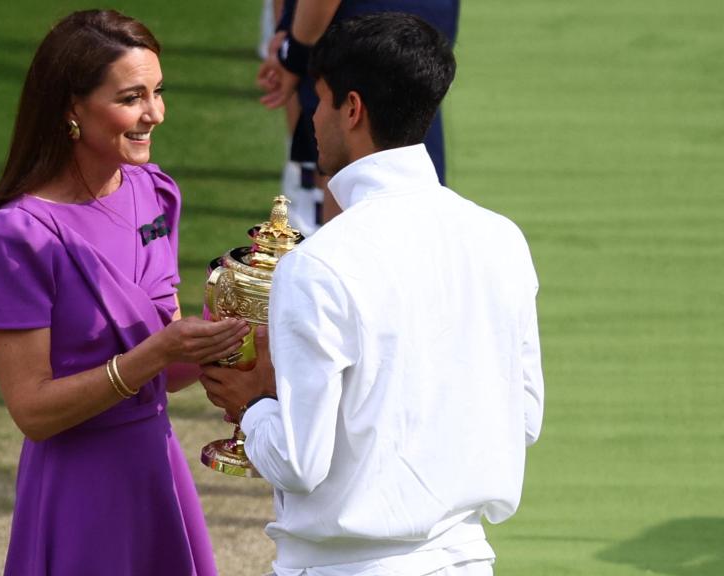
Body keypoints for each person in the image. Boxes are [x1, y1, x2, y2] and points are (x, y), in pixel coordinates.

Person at [201, 13, 543, 576]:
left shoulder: (318, 264)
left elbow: (298, 461)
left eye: (321, 99)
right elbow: (523, 417)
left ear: (352, 109)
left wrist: (254, 405)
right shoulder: (501, 239)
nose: (312, 117)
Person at [0, 10, 249, 575]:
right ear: (72, 107)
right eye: (132, 97)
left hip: (157, 469)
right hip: (78, 492)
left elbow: (165, 370)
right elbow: (33, 412)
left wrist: (235, 334)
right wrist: (159, 353)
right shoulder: (12, 236)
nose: (154, 114)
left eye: (158, 92)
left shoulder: (156, 193)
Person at [259, 0, 460, 234]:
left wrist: (292, 51)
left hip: (358, 38)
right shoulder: (500, 233)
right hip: (416, 31)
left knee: (351, 168)